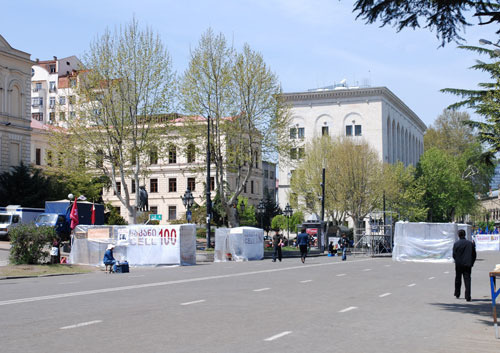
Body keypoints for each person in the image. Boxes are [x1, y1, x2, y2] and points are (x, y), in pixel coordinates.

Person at [453, 229, 476, 301]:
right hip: (467, 264)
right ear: (465, 234)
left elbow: (454, 255)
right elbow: (474, 255)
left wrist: (456, 260)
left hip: (459, 264)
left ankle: (457, 293)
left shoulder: (456, 244)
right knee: (467, 280)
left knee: (458, 279)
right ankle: (468, 296)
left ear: (458, 235)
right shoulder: (470, 244)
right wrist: (471, 263)